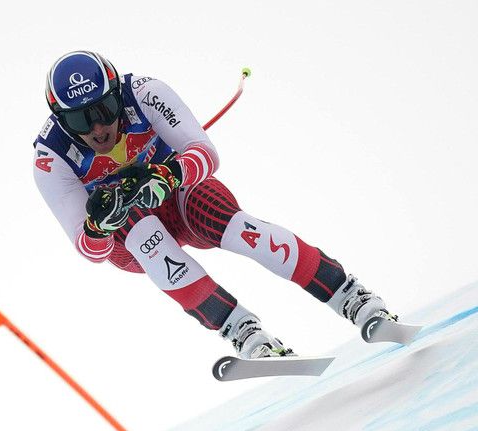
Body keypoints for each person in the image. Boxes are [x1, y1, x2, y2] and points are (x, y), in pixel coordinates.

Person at [33, 50, 395, 359]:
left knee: (228, 222)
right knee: (133, 223)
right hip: (131, 240)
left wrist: (170, 174)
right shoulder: (51, 157)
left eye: (105, 108)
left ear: (117, 94)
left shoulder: (144, 93)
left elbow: (205, 154)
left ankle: (351, 296)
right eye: (80, 119)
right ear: (61, 119)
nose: (98, 128)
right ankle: (245, 333)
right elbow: (90, 250)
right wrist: (99, 226)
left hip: (178, 200)